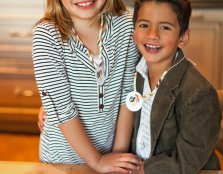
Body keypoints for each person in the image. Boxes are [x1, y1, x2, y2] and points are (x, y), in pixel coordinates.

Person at [32, 0, 142, 173]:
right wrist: (97, 161)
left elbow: (128, 94)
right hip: (62, 161)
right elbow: (61, 110)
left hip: (112, 155)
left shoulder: (126, 26)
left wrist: (117, 156)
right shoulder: (46, 35)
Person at [127, 0, 223, 173]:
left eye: (165, 27)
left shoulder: (198, 92)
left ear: (183, 38)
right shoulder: (133, 74)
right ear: (133, 33)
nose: (152, 34)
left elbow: (190, 158)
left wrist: (144, 170)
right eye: (144, 25)